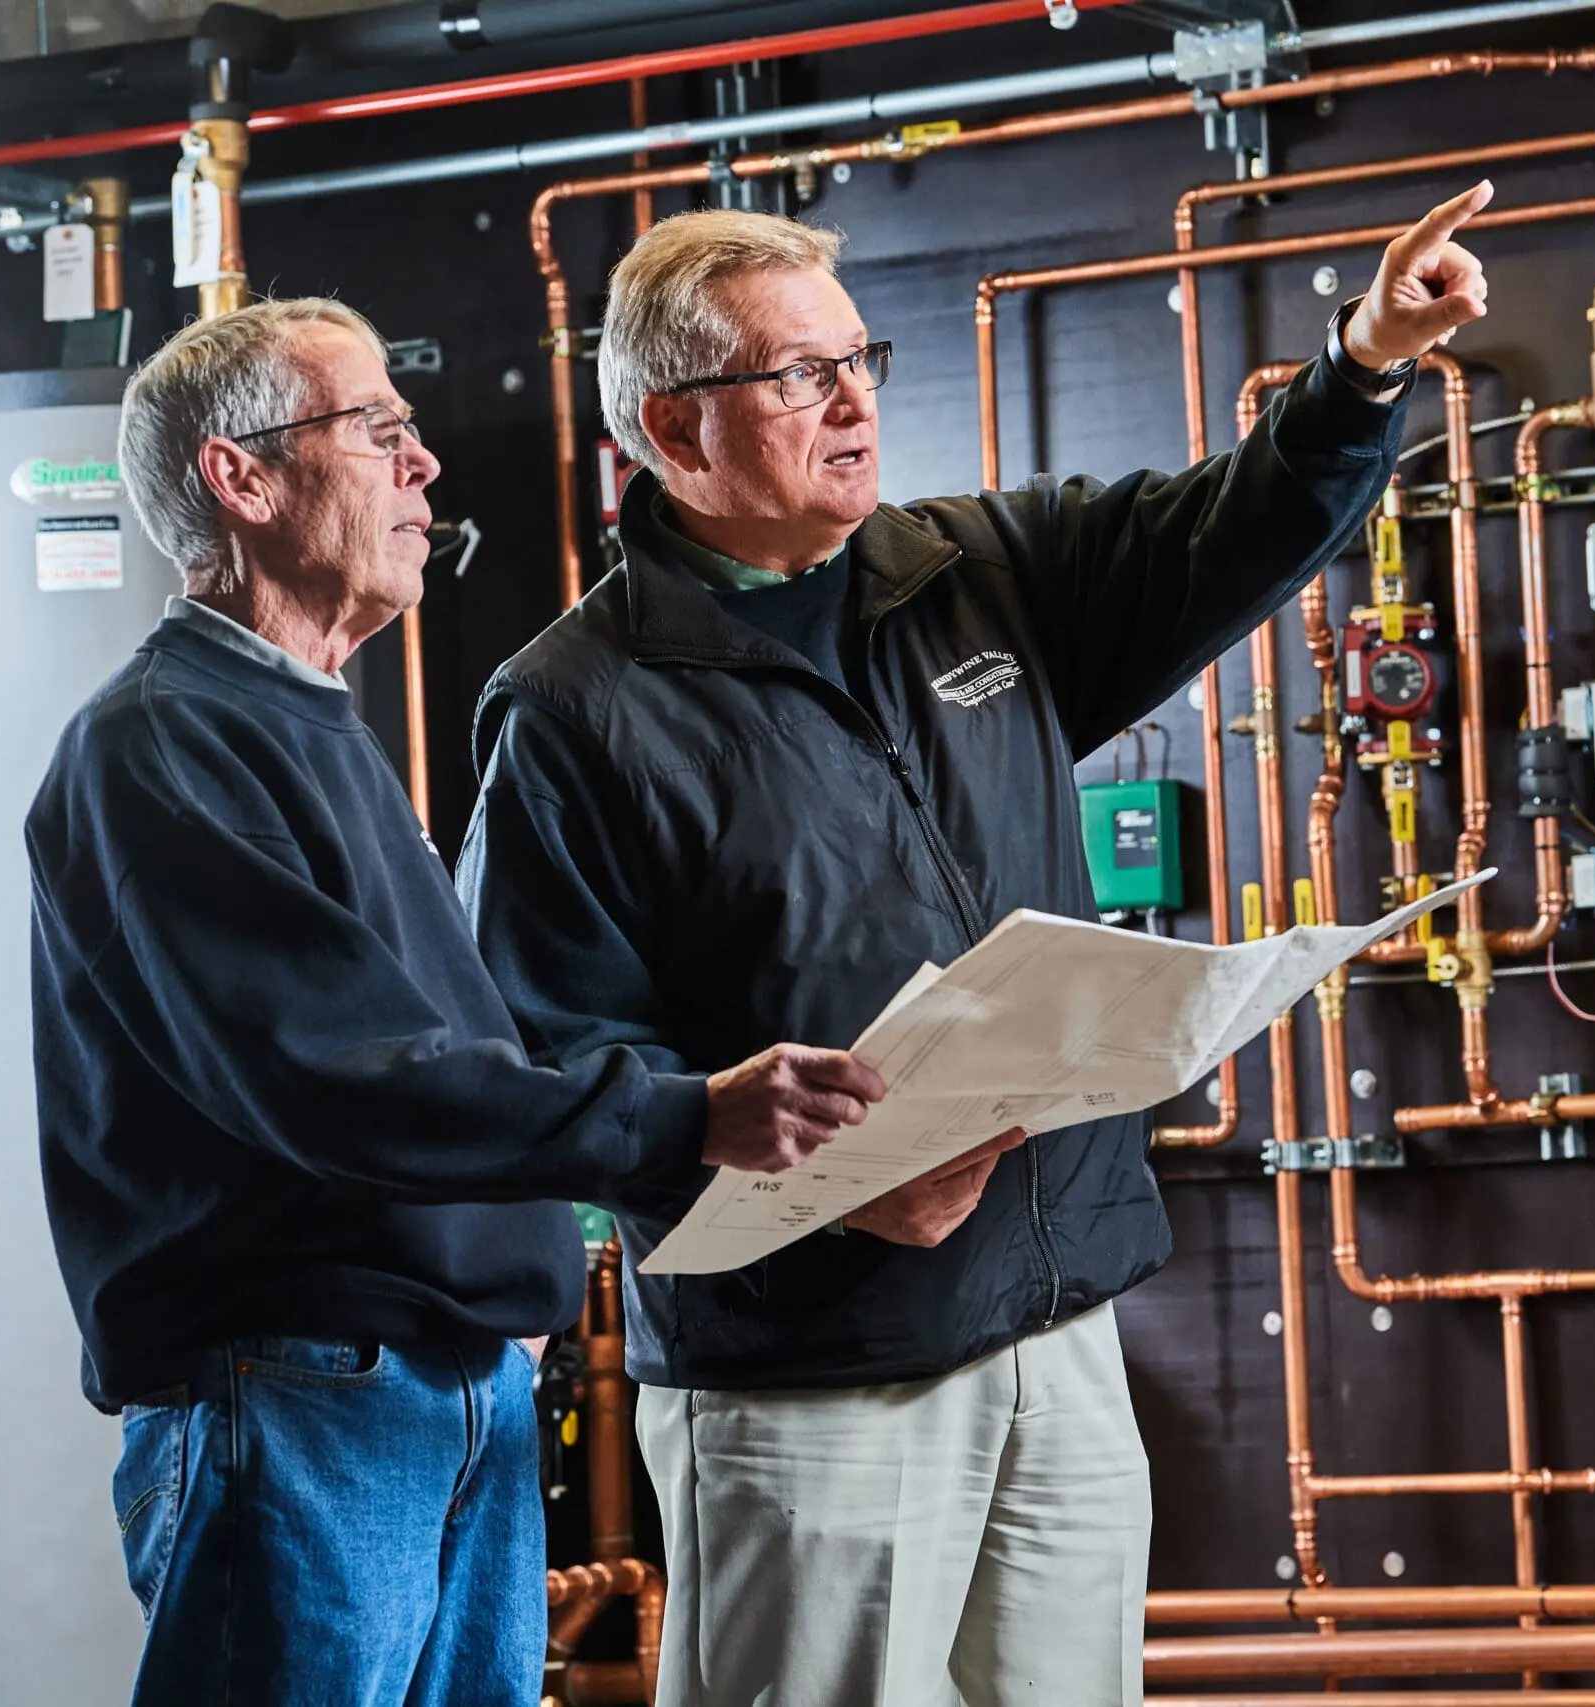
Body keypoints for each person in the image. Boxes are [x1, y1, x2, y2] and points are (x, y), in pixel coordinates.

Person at [457, 183, 1493, 1705]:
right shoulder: (575, 709)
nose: (853, 400)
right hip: (810, 1376)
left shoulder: (977, 571)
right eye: (798, 375)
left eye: (858, 358)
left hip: (1052, 1322)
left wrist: (1366, 359)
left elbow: (1226, 530)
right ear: (674, 429)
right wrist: (827, 1194)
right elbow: (551, 1064)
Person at [27, 296, 876, 1707]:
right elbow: (342, 1075)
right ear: (241, 478)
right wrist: (686, 1117)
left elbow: (441, 1054)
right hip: (301, 1397)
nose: (423, 464)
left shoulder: (313, 725)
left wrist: (514, 1277)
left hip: (441, 1388)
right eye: (377, 429)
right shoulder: (162, 743)